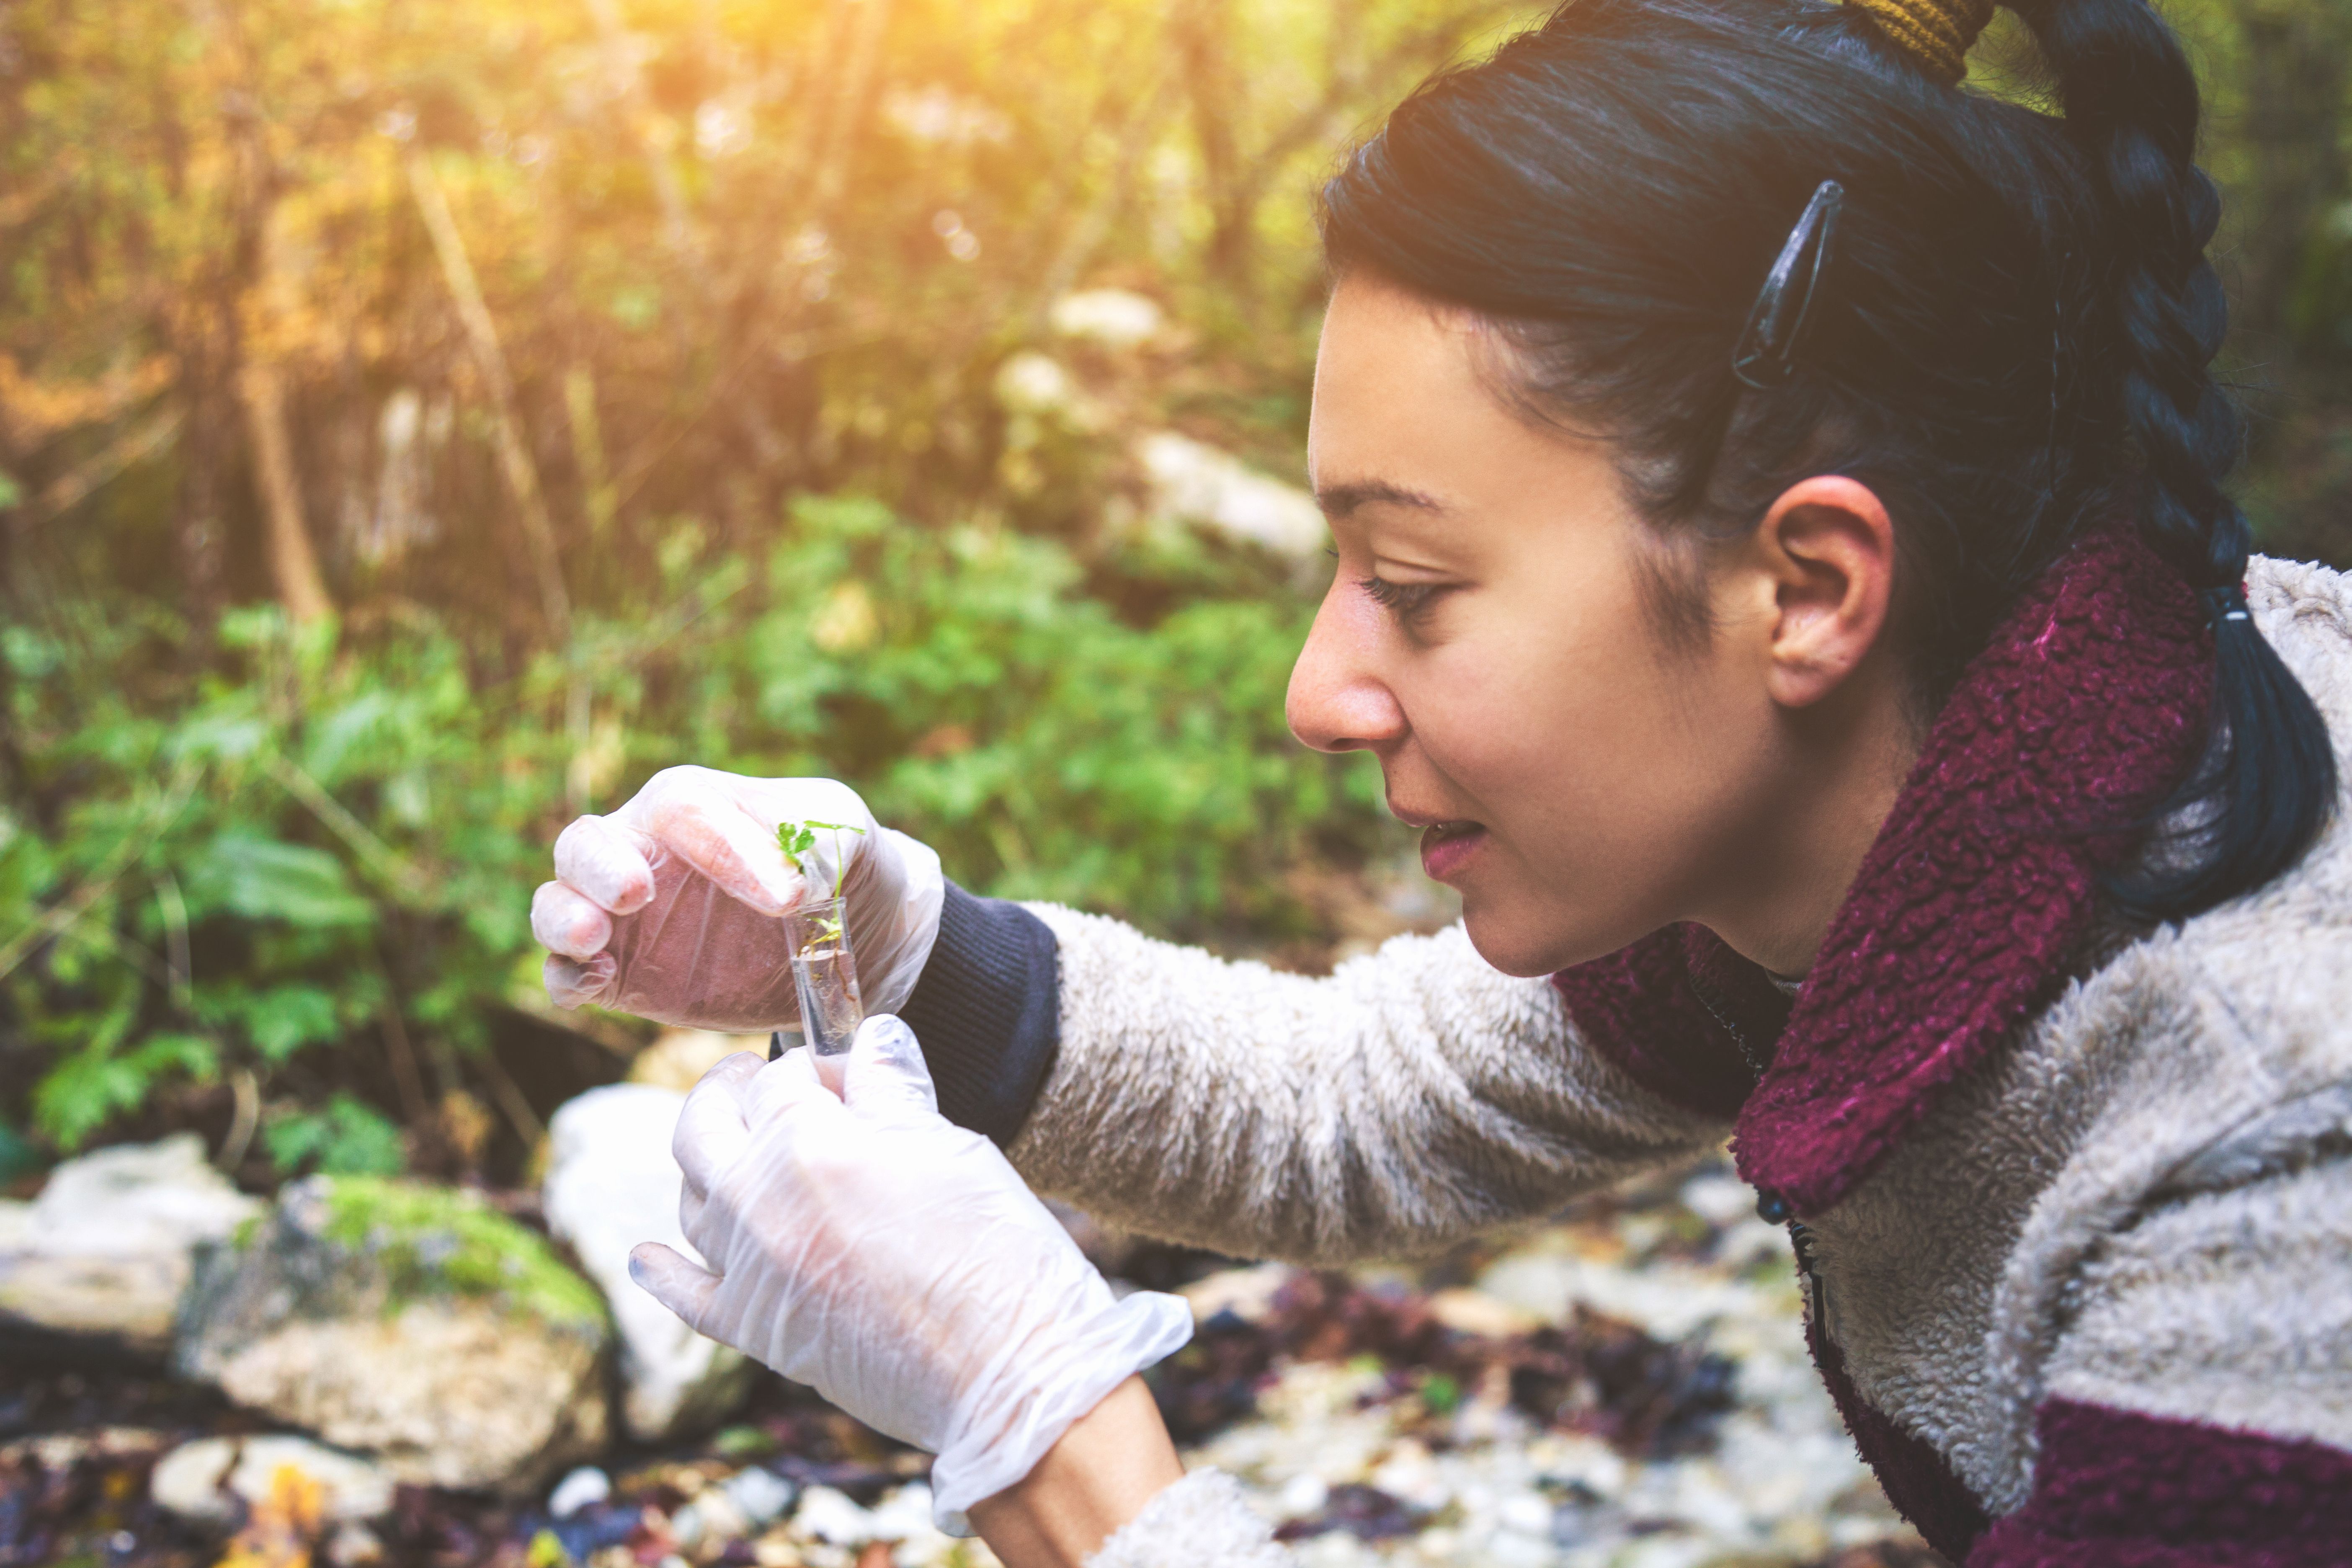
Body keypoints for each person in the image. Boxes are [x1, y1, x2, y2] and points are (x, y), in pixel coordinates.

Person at [531, 0, 2352, 1559]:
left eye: (1411, 589)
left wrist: (1044, 1423)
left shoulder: (2269, 1168)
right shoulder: (1927, 799)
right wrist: (892, 941)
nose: (1322, 691)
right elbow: (1353, 1109)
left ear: (1807, 587)